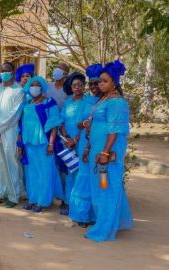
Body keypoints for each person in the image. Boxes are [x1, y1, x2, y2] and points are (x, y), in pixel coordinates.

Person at [85, 60, 133, 242]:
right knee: (101, 186)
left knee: (105, 186)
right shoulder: (104, 99)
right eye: (99, 81)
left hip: (107, 154)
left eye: (105, 81)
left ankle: (104, 228)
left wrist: (105, 153)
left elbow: (114, 130)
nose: (100, 84)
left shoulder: (117, 102)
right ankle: (109, 220)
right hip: (97, 150)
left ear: (114, 82)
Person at [18, 76, 63, 212]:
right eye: (32, 85)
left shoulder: (50, 103)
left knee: (45, 172)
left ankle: (43, 201)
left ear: (43, 88)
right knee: (31, 172)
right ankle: (33, 199)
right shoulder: (27, 103)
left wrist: (51, 144)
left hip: (44, 143)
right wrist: (20, 144)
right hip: (29, 143)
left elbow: (54, 124)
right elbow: (21, 124)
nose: (34, 88)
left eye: (37, 85)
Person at [61, 70, 100, 226]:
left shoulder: (91, 102)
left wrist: (76, 139)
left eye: (80, 85)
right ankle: (71, 206)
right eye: (74, 85)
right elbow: (61, 121)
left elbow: (89, 123)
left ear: (84, 86)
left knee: (84, 176)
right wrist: (67, 138)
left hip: (84, 143)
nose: (77, 87)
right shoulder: (67, 103)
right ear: (71, 87)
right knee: (71, 174)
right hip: (68, 143)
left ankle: (85, 213)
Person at [0, 62, 25, 208]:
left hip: (9, 132)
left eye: (7, 70)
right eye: (2, 71)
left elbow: (14, 114)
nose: (4, 73)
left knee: (11, 162)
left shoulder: (18, 91)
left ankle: (13, 195)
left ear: (13, 72)